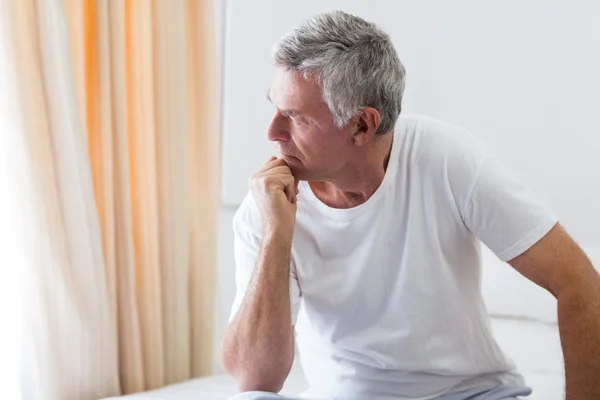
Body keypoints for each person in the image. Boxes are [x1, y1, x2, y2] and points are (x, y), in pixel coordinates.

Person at [220, 10, 600, 400]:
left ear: (361, 126)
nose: (271, 132)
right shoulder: (269, 204)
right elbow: (256, 378)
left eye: (295, 118)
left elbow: (578, 282)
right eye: (274, 107)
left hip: (469, 394)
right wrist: (275, 237)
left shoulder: (446, 158)